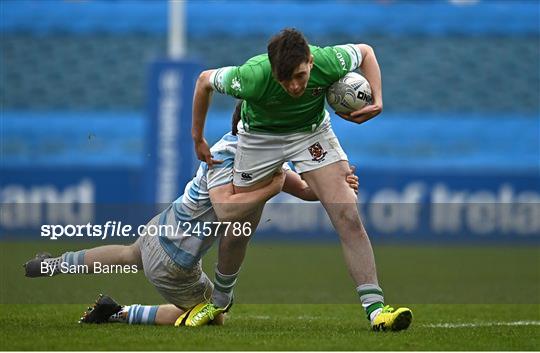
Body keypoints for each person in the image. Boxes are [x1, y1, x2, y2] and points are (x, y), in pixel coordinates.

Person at [23, 104, 359, 326]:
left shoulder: (257, 158)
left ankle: (53, 264)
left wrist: (339, 185)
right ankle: (119, 314)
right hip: (175, 261)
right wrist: (271, 189)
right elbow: (227, 209)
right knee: (215, 316)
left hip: (163, 228)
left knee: (128, 254)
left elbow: (306, 190)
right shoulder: (227, 155)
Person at [188, 28, 412, 331]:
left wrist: (378, 99)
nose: (294, 86)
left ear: (309, 61)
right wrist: (198, 138)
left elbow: (367, 52)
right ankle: (220, 301)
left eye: (300, 76)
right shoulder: (252, 76)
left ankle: (376, 310)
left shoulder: (327, 60)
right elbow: (204, 81)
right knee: (239, 226)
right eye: (285, 79)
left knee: (347, 212)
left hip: (311, 133)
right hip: (259, 139)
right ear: (272, 69)